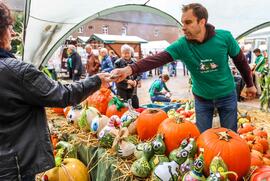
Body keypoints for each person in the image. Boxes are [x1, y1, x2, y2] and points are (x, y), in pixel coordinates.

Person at [0, 3, 111, 180]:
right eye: (9, 28)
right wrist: (97, 80)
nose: (12, 34)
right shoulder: (16, 72)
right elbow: (62, 94)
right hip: (14, 165)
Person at [111, 3, 257, 133]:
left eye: (188, 22)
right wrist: (128, 70)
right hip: (202, 99)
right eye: (183, 23)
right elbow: (156, 59)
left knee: (230, 135)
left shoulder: (224, 38)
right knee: (202, 138)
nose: (183, 27)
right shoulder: (182, 45)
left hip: (226, 95)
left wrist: (250, 84)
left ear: (202, 22)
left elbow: (241, 61)